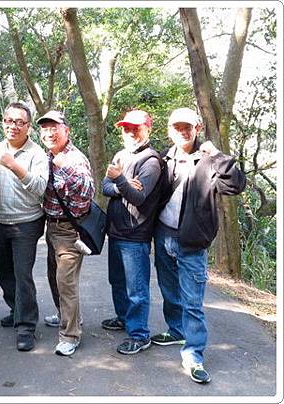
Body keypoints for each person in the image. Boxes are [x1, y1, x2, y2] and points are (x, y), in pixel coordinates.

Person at [152, 107, 246, 384]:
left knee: (192, 303)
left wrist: (216, 154)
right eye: (177, 127)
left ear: (198, 128)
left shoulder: (209, 161)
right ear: (169, 130)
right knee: (169, 291)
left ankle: (193, 354)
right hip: (164, 235)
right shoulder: (165, 158)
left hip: (192, 242)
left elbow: (236, 185)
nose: (182, 131)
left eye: (187, 127)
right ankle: (175, 330)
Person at [100, 109, 163, 355]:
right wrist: (120, 184)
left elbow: (138, 196)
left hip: (136, 234)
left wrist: (119, 180)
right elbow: (105, 186)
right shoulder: (120, 155)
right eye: (126, 128)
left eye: (136, 128)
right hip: (115, 231)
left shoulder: (151, 161)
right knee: (117, 280)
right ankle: (124, 318)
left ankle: (139, 334)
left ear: (148, 129)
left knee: (136, 288)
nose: (130, 133)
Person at [0, 102, 48, 352]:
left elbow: (40, 187)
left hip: (27, 222)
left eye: (19, 122)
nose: (13, 126)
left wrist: (14, 165)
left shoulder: (37, 154)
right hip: (0, 220)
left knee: (22, 273)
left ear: (28, 127)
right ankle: (16, 308)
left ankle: (26, 325)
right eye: (9, 121)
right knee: (2, 270)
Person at [38, 111, 95, 356]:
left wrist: (64, 173)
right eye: (45, 129)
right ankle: (66, 316)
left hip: (70, 230)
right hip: (52, 227)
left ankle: (70, 335)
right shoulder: (49, 156)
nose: (50, 133)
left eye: (55, 128)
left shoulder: (73, 159)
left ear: (66, 131)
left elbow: (87, 193)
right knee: (53, 276)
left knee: (66, 283)